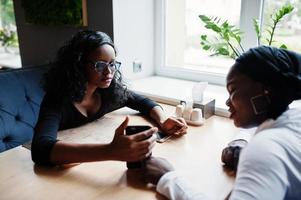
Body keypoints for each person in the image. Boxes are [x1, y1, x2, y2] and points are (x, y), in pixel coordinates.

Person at [142, 46, 301, 199]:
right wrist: (241, 140)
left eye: (233, 90)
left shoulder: (264, 150)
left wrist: (168, 178)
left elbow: (265, 149)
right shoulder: (293, 120)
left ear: (266, 90)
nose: (227, 102)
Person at [31, 30, 188, 166]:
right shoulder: (57, 99)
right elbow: (40, 150)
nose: (109, 73)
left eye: (112, 64)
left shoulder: (108, 91)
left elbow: (143, 102)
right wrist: (110, 151)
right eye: (100, 65)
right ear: (78, 65)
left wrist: (162, 120)